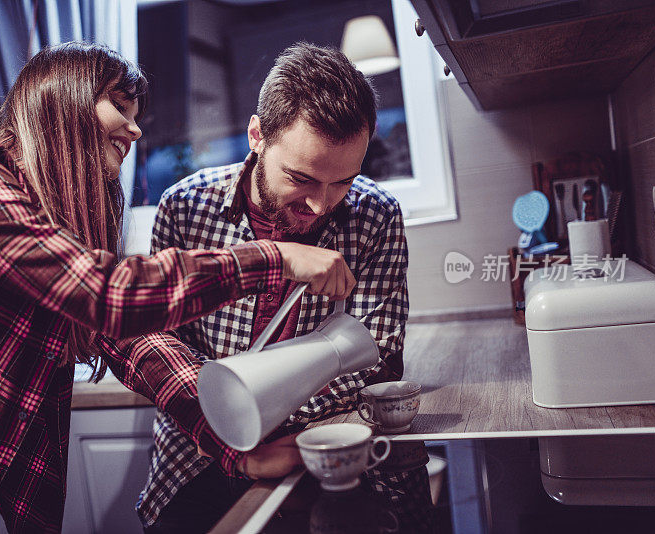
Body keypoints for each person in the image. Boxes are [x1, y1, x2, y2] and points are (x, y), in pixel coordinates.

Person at [0, 42, 356, 533]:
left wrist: (235, 448)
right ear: (60, 98)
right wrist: (275, 257)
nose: (136, 128)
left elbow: (132, 341)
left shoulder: (56, 228)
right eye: (119, 106)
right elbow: (105, 296)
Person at [118, 42, 431, 533]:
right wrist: (232, 425)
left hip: (321, 450)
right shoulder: (184, 207)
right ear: (257, 135)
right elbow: (161, 343)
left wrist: (277, 416)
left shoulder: (376, 216)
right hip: (196, 458)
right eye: (301, 178)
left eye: (343, 182)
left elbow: (378, 356)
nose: (321, 205)